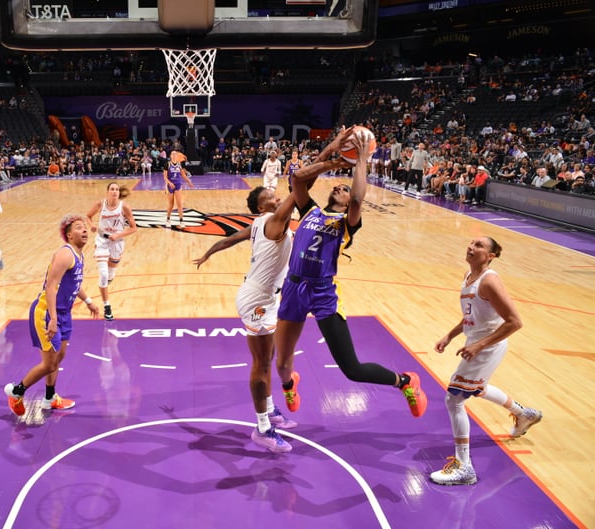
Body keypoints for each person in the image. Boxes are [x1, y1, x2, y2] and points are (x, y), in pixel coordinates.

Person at [274, 127, 427, 419]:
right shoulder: (310, 212)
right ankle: (289, 383)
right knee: (281, 364)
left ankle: (405, 382)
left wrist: (360, 160)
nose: (340, 189)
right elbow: (297, 179)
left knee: (352, 369)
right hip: (293, 288)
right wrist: (332, 156)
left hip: (322, 292)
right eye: (339, 186)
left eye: (345, 189)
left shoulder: (347, 223)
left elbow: (357, 200)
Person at [429, 236, 542, 486]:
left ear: (490, 255)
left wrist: (479, 345)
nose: (471, 247)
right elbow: (470, 317)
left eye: (479, 245)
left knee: (454, 398)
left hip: (487, 347)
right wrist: (449, 335)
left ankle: (464, 467)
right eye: (471, 243)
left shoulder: (489, 280)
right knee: (477, 389)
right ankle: (524, 414)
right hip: (478, 344)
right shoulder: (469, 277)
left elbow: (515, 322)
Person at [193, 186, 298, 453]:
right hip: (258, 301)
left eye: (276, 196)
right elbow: (297, 195)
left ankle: (272, 410)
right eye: (271, 198)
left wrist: (209, 252)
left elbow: (229, 239)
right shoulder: (272, 220)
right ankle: (262, 428)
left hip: (267, 298)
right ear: (262, 208)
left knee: (269, 357)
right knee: (261, 364)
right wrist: (326, 159)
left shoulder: (257, 224)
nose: (277, 199)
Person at [4, 214, 100, 415]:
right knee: (49, 364)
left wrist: (88, 301)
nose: (84, 230)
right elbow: (50, 286)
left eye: (84, 227)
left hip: (64, 313)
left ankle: (49, 398)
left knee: (59, 358)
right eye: (78, 227)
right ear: (69, 235)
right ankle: (16, 391)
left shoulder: (78, 255)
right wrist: (53, 318)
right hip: (47, 312)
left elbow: (74, 284)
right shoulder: (65, 254)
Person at [85, 182, 138, 321]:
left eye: (116, 190)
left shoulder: (124, 207)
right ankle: (107, 306)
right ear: (107, 192)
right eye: (112, 189)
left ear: (118, 193)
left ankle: (106, 283)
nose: (114, 191)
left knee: (110, 274)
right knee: (103, 275)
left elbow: (133, 228)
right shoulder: (100, 204)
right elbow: (88, 216)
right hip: (102, 241)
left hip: (117, 242)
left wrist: (118, 235)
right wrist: (91, 226)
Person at [163, 150, 194, 228]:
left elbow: (183, 175)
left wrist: (188, 181)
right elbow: (165, 177)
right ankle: (168, 220)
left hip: (178, 184)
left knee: (179, 204)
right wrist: (169, 183)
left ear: (177, 156)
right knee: (171, 204)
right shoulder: (167, 164)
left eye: (175, 154)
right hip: (170, 185)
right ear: (170, 156)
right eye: (172, 154)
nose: (174, 155)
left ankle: (181, 221)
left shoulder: (179, 165)